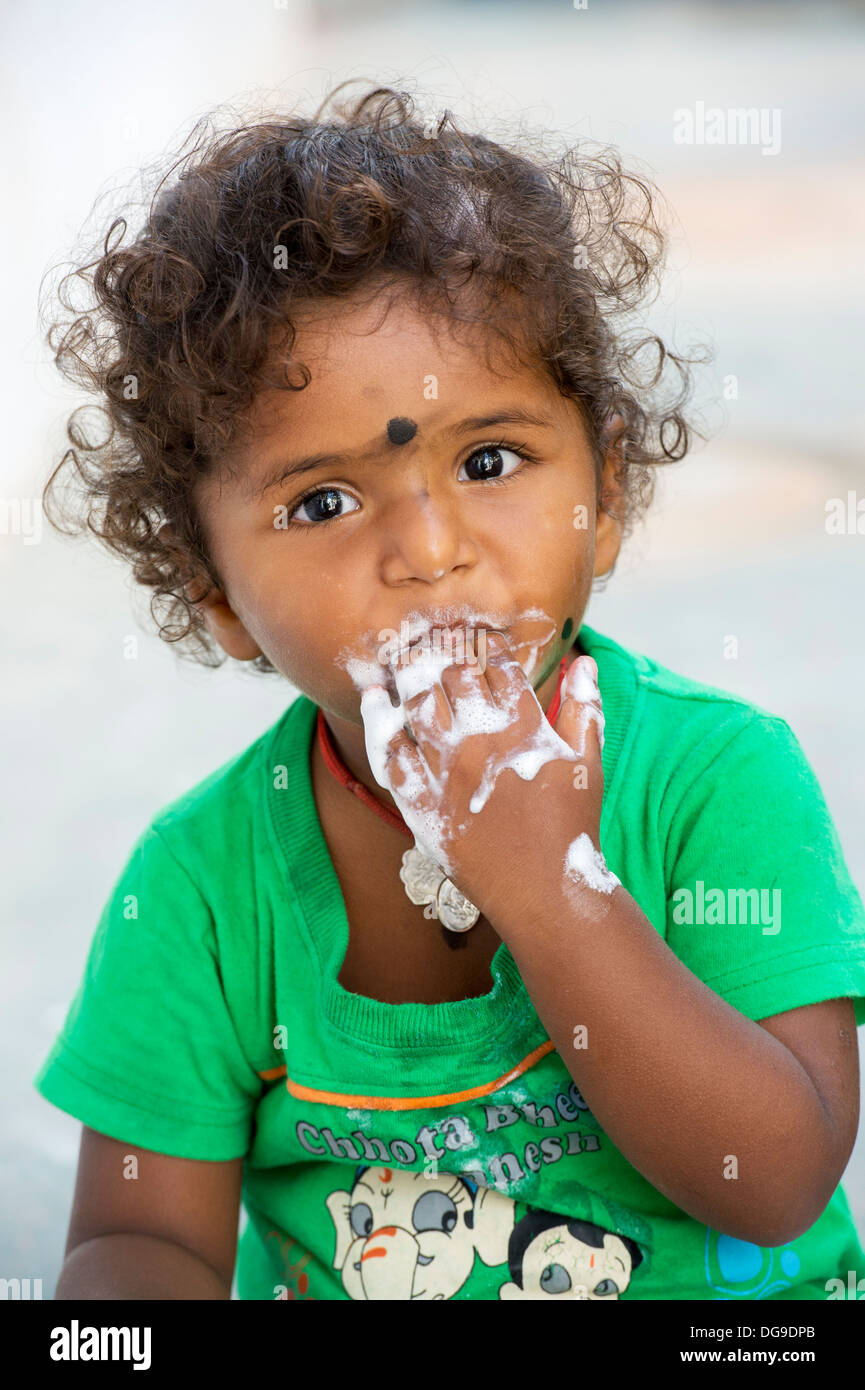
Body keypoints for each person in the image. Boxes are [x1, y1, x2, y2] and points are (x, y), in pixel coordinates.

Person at [34, 81, 865, 1301]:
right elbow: (136, 1241)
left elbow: (777, 1175)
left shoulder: (712, 781)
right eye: (320, 501)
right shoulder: (204, 890)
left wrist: (554, 889)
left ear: (608, 499)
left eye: (490, 459)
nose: (428, 550)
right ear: (216, 596)